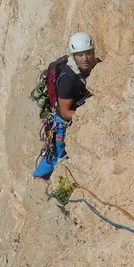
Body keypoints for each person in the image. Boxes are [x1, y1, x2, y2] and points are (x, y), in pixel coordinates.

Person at [32, 32, 98, 180]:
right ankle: (39, 179)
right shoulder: (67, 79)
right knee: (56, 154)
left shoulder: (96, 66)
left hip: (78, 108)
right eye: (80, 55)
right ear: (73, 56)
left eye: (88, 53)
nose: (85, 58)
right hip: (63, 122)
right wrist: (88, 116)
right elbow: (64, 111)